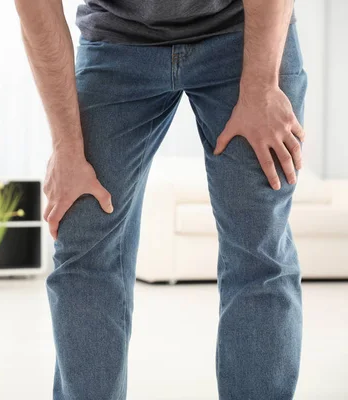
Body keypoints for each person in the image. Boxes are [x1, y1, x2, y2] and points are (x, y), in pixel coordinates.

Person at [15, 0, 306, 398]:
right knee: (81, 225)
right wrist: (67, 148)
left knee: (258, 240)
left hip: (243, 29)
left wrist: (261, 87)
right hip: (117, 38)